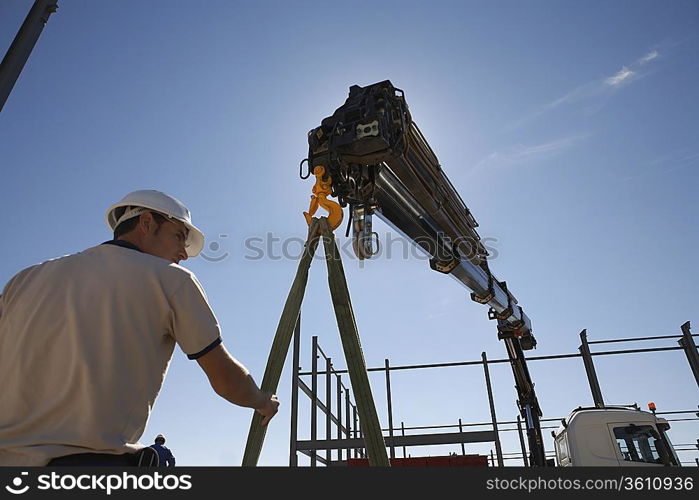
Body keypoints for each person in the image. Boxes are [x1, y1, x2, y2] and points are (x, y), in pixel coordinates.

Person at [0, 190, 279, 466]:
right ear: (147, 223)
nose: (184, 253)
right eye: (179, 236)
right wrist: (261, 400)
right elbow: (225, 379)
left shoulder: (24, 279)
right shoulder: (170, 279)